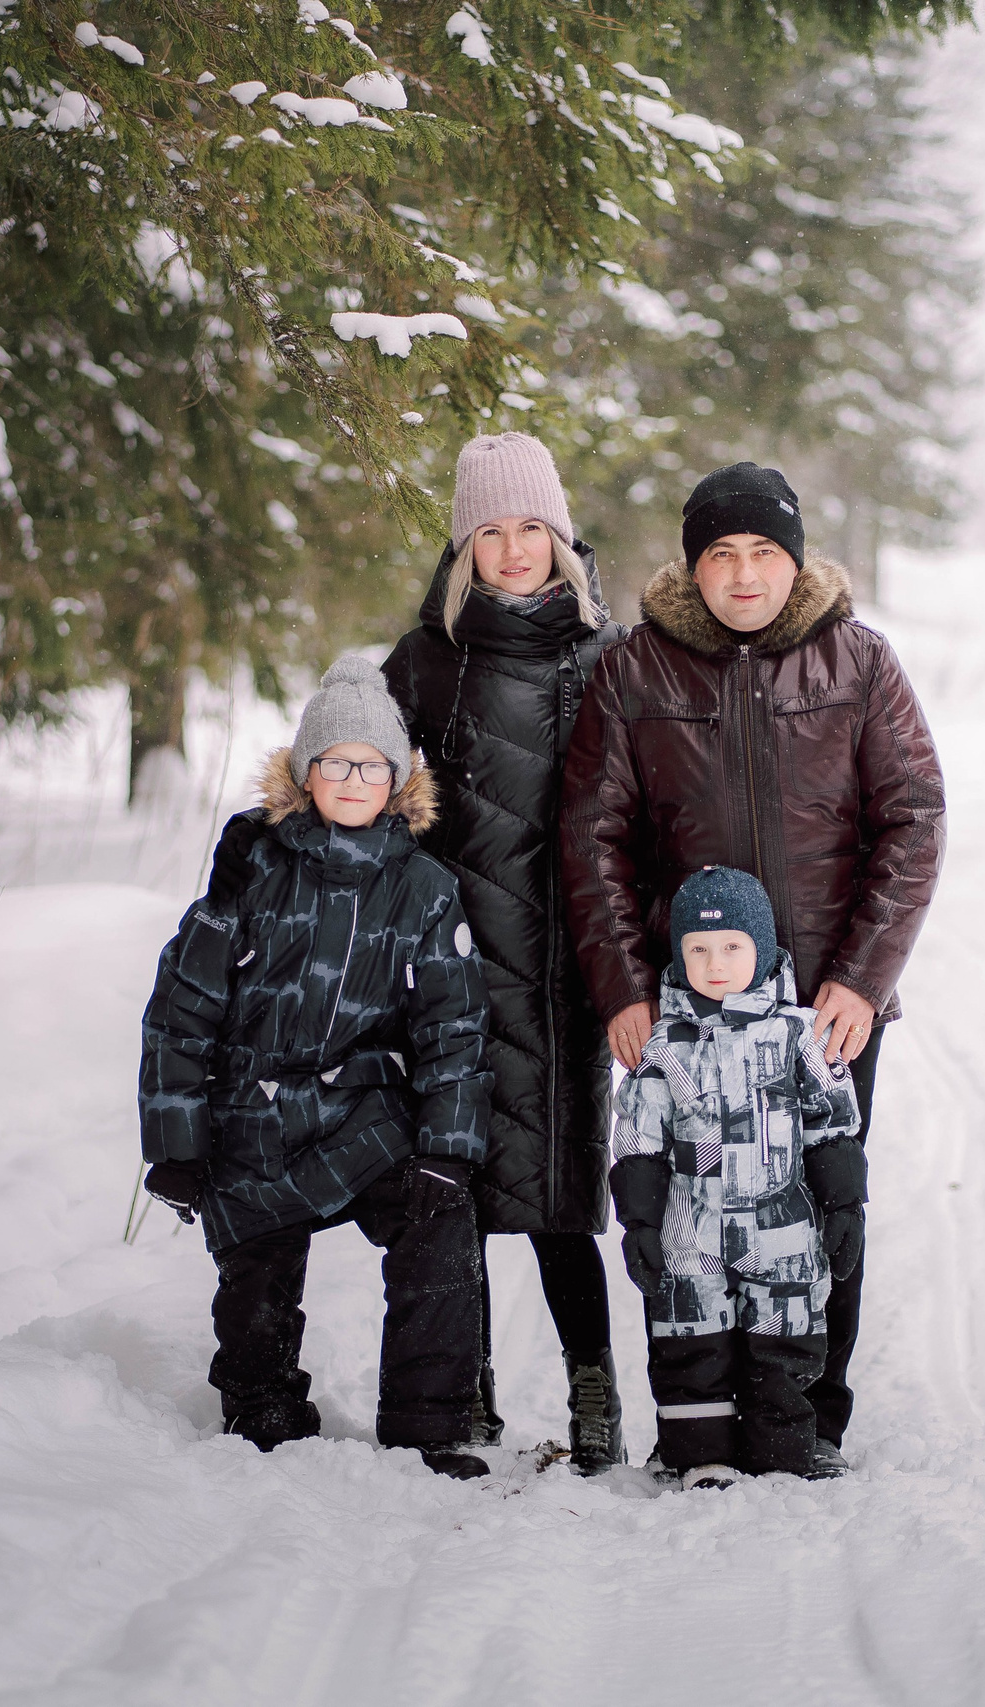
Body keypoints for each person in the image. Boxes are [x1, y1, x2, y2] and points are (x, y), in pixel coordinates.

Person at [561, 461, 945, 1466]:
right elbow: (592, 834)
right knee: (689, 1213)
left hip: (822, 1007)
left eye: (763, 553)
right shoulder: (635, 668)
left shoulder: (858, 664)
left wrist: (862, 977)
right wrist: (623, 990)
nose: (742, 575)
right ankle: (701, 1425)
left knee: (820, 1200)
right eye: (721, 555)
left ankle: (807, 1419)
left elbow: (912, 821)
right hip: (682, 1015)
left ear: (796, 560)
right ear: (695, 566)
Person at [137, 656, 494, 1479]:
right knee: (256, 1262)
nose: (354, 777)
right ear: (306, 771)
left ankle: (428, 1421)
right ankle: (262, 1401)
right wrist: (177, 1142)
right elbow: (183, 1006)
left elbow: (454, 1022)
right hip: (254, 1114)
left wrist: (445, 1144)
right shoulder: (252, 869)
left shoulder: (425, 887)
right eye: (336, 761)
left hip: (358, 1114)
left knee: (439, 1219)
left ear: (398, 778)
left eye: (372, 763)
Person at [383, 431, 629, 1474]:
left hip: (569, 976)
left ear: (561, 539)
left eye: (532, 527)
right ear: (465, 546)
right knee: (459, 1190)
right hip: (454, 971)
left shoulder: (607, 658)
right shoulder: (422, 663)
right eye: (492, 530)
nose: (515, 548)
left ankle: (594, 1392)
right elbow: (378, 810)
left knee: (560, 1196)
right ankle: (467, 1385)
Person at [611, 867, 865, 1487]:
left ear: (764, 950)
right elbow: (638, 1140)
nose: (715, 964)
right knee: (692, 1352)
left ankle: (781, 1455)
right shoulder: (663, 1045)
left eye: (732, 947)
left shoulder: (799, 1035)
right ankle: (701, 1457)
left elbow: (831, 1131)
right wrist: (640, 1224)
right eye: (697, 950)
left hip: (783, 1237)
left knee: (784, 1349)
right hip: (688, 1240)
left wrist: (845, 1208)